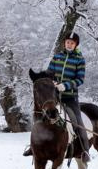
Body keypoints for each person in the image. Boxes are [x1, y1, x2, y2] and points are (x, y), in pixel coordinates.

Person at [24, 32, 90, 161]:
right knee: (40, 117)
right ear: (64, 43)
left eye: (72, 43)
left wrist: (65, 85)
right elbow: (48, 74)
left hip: (70, 97)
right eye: (67, 42)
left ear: (76, 45)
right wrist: (51, 82)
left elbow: (80, 80)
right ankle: (33, 147)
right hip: (53, 97)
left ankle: (85, 151)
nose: (69, 44)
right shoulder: (57, 57)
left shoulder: (79, 60)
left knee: (77, 122)